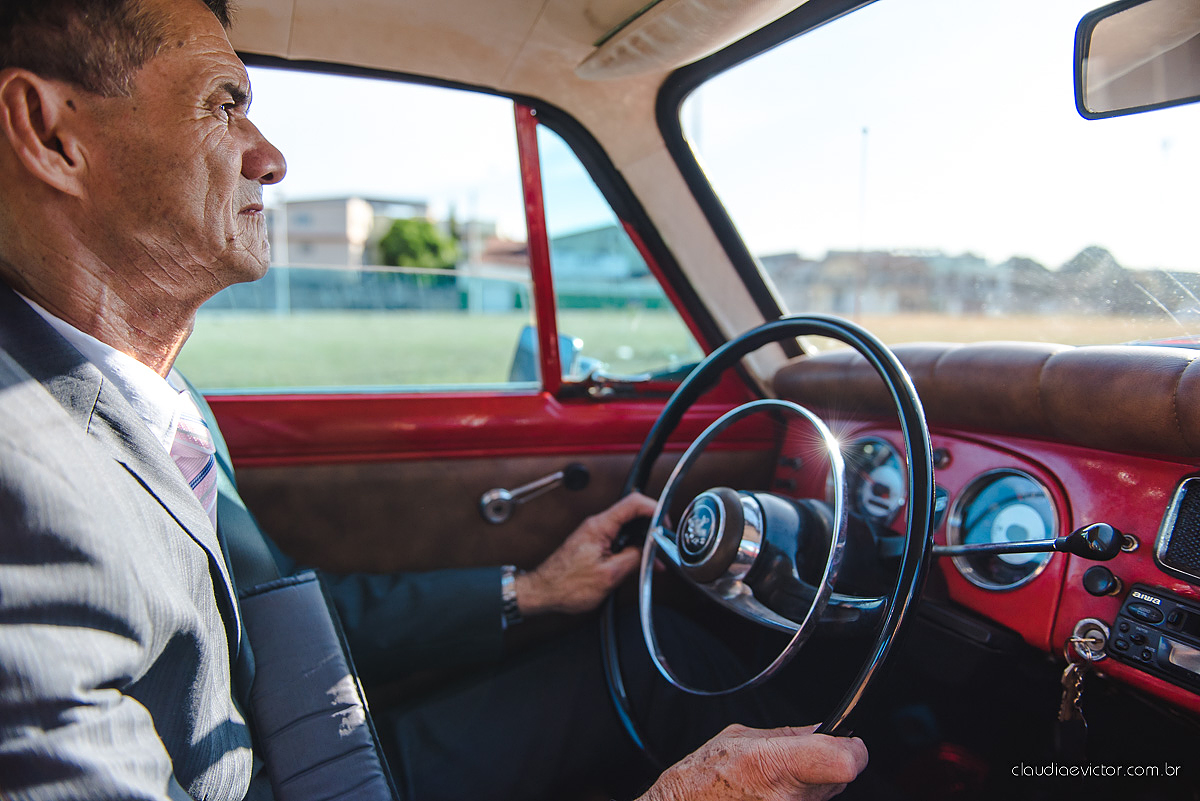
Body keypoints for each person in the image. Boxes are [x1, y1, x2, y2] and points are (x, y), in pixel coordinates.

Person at [0, 1, 869, 799]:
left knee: (661, 658)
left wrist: (534, 589)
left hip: (303, 746)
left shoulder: (151, 389)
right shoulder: (26, 496)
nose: (270, 157)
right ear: (50, 133)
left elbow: (270, 614)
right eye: (223, 105)